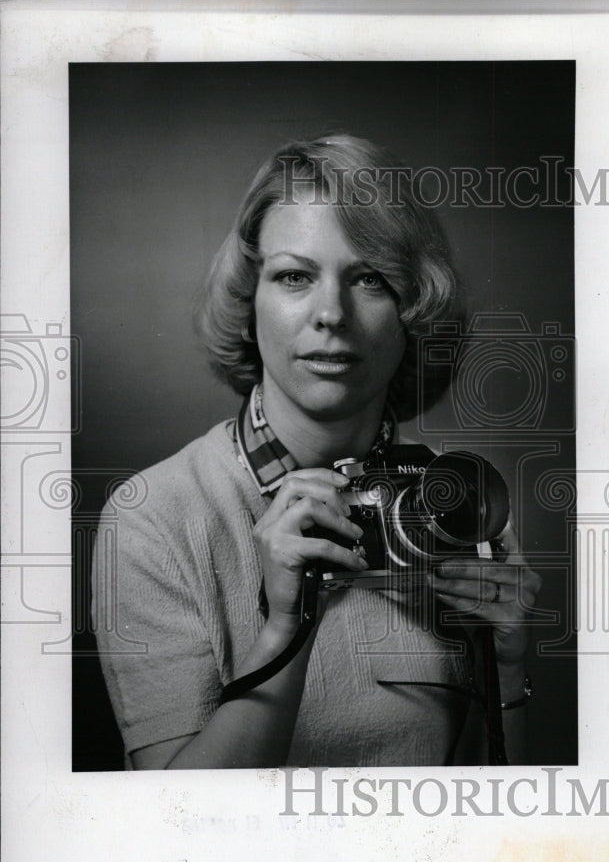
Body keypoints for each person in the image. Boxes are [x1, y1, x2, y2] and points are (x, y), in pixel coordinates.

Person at [93, 134, 541, 770]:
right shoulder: (154, 516)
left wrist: (510, 672)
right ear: (251, 304)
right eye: (295, 277)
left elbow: (503, 816)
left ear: (414, 311)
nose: (331, 313)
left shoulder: (450, 504)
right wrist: (285, 626)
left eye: (371, 279)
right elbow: (172, 831)